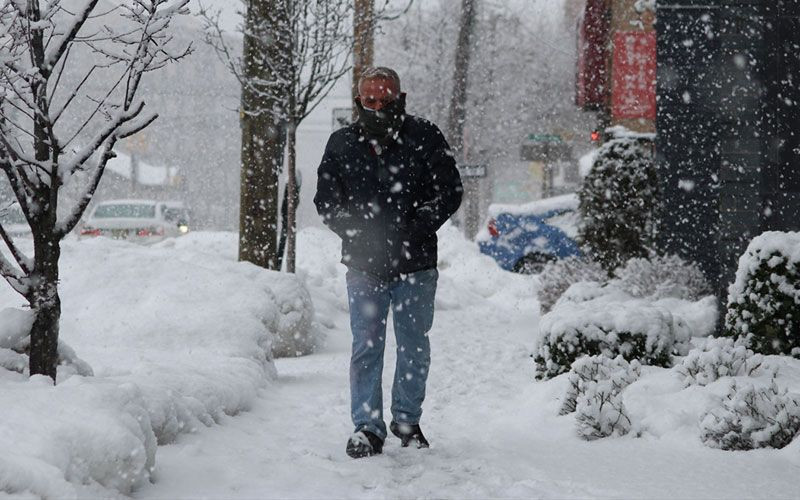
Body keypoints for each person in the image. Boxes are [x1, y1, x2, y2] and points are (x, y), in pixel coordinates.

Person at [314, 67, 463, 458]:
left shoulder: (425, 137)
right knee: (366, 347)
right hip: (364, 267)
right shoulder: (342, 144)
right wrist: (357, 233)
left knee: (414, 346)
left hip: (416, 265)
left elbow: (449, 191)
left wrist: (417, 227)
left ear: (400, 98)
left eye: (385, 99)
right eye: (370, 100)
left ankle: (407, 419)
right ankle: (366, 427)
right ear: (359, 100)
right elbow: (326, 203)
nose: (377, 107)